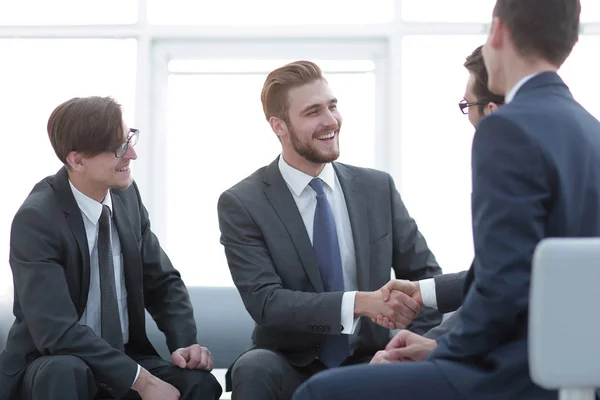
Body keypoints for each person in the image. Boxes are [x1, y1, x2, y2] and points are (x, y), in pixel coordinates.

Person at [293, 0, 599, 398]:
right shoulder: (589, 129)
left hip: (514, 374)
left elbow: (504, 284)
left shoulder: (506, 128)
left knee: (318, 393)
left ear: (498, 32)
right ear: (570, 40)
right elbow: (534, 267)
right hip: (574, 373)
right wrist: (436, 343)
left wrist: (445, 354)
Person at [217, 60, 443, 399]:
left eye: (332, 106)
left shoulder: (377, 188)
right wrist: (359, 303)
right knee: (253, 368)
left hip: (372, 356)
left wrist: (405, 346)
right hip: (289, 361)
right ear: (279, 125)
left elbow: (426, 278)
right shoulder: (243, 202)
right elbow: (267, 302)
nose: (330, 121)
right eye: (312, 112)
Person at [0, 96, 222, 400]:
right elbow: (56, 332)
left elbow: (163, 283)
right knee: (65, 371)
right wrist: (141, 381)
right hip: (53, 359)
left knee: (200, 384)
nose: (131, 154)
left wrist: (183, 345)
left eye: (129, 138)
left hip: (123, 354)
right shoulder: (37, 219)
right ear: (77, 161)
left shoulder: (126, 197)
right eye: (118, 148)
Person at [372, 45, 506, 339]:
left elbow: (504, 282)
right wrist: (423, 292)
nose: (467, 116)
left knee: (322, 389)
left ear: (492, 111)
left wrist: (433, 346)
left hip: (514, 359)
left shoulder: (509, 172)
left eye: (467, 105)